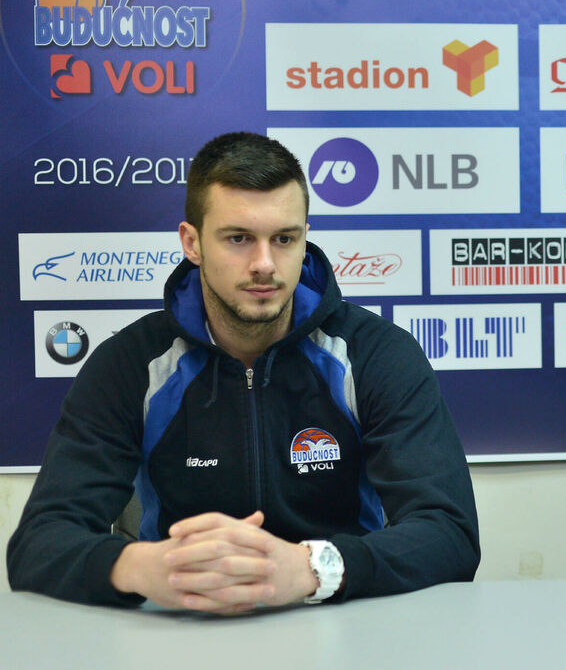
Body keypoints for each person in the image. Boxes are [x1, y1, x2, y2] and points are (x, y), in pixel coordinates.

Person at [7, 132, 480, 612]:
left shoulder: (375, 353)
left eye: (284, 239)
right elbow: (38, 544)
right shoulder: (130, 363)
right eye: (238, 239)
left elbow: (450, 532)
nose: (264, 264)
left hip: (345, 615)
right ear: (192, 242)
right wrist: (144, 568)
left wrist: (311, 569)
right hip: (180, 624)